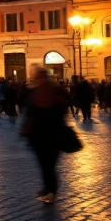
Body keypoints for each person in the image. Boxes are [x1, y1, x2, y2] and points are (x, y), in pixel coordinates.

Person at [20, 67, 71, 204]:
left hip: (42, 134)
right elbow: (64, 110)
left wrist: (25, 129)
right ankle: (50, 190)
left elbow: (29, 114)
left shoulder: (36, 93)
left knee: (47, 165)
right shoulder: (55, 92)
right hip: (49, 134)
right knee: (47, 165)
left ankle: (50, 190)